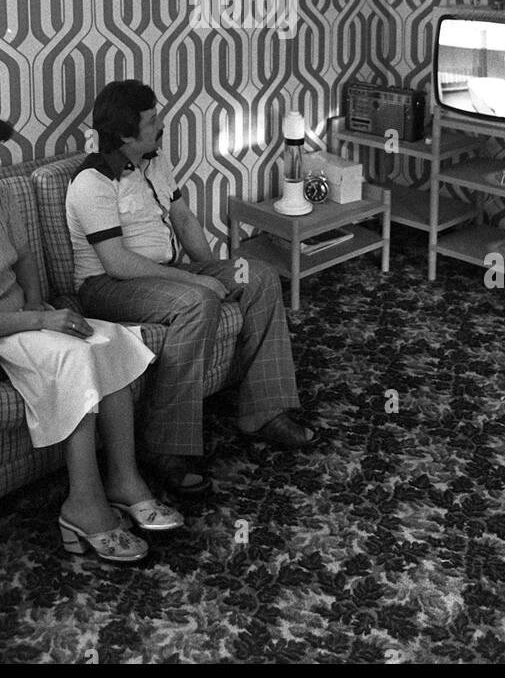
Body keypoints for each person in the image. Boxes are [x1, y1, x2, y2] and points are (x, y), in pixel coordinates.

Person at [0, 111, 184, 565]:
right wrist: (40, 323)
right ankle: (83, 505)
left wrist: (41, 306)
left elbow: (26, 259)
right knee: (76, 359)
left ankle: (125, 479)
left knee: (109, 342)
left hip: (27, 317)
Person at [65, 81, 318, 497]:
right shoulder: (91, 182)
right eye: (152, 121)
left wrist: (215, 268)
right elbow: (117, 262)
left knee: (258, 274)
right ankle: (163, 446)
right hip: (107, 286)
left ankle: (264, 411)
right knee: (197, 300)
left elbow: (183, 220)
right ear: (126, 134)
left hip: (163, 275)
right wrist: (195, 279)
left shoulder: (155, 162)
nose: (161, 126)